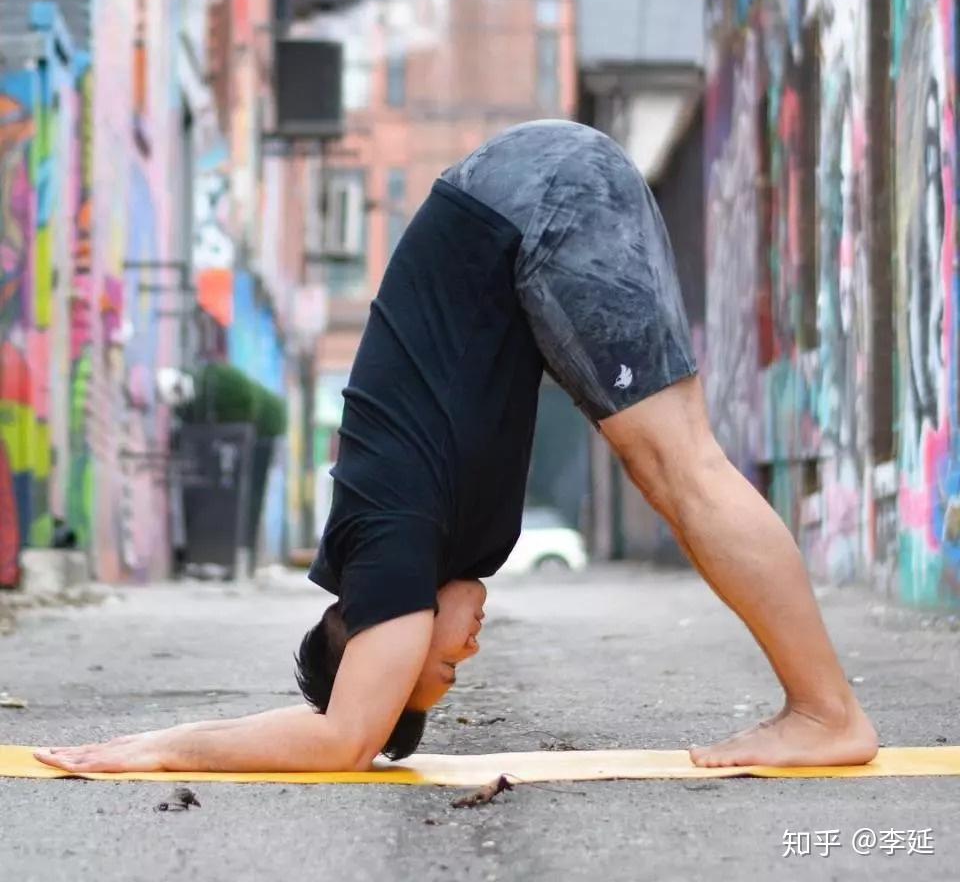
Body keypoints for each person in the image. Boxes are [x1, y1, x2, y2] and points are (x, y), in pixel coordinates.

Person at [36, 121, 878, 775]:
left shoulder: (387, 538)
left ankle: (825, 712)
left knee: (680, 466)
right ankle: (823, 708)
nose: (465, 653)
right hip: (534, 196)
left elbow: (344, 740)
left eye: (435, 666)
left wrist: (161, 747)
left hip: (534, 201)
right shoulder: (447, 539)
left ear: (377, 636)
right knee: (678, 461)